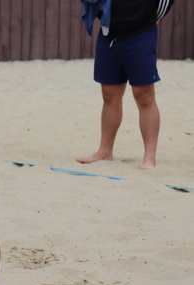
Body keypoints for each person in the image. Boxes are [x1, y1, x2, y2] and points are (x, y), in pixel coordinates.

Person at [77, 0, 175, 170]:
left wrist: (147, 18)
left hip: (140, 34)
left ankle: (149, 158)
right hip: (108, 34)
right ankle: (105, 151)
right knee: (109, 94)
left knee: (144, 97)